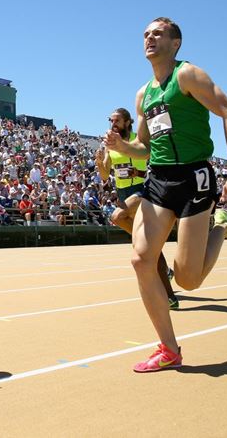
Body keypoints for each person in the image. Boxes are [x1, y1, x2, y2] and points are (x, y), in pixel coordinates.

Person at [103, 17, 227, 373]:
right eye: (146, 34)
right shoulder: (143, 94)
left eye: (158, 33)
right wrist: (123, 145)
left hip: (194, 178)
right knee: (141, 260)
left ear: (176, 43)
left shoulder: (187, 76)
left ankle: (223, 226)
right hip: (159, 181)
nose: (149, 38)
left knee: (188, 279)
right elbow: (144, 148)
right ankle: (169, 349)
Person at [96, 108, 179, 309]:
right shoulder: (108, 145)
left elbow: (149, 156)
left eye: (117, 121)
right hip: (124, 194)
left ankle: (167, 287)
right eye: (111, 121)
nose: (113, 124)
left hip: (142, 189)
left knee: (117, 217)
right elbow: (105, 175)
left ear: (127, 122)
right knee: (147, 247)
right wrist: (100, 163)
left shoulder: (137, 138)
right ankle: (170, 295)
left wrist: (136, 168)